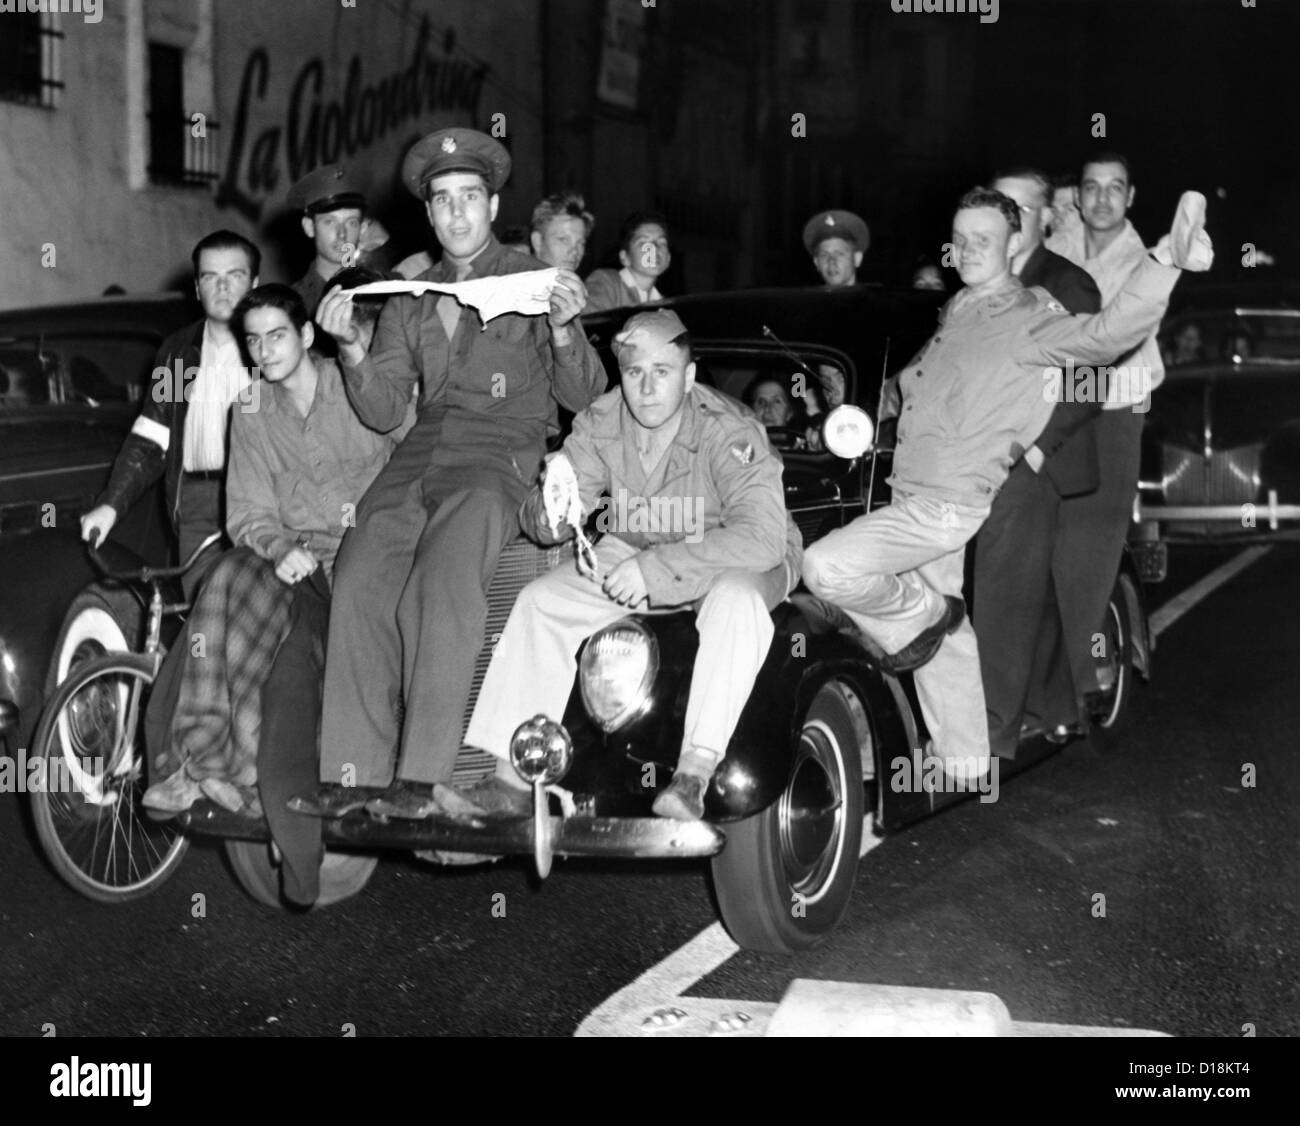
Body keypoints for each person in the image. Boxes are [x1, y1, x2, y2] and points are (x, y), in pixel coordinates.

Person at [800, 186, 1211, 785]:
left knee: (827, 566)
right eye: (960, 239)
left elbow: (1106, 335)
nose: (966, 250)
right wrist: (864, 409)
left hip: (946, 504)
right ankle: (967, 762)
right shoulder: (961, 307)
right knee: (943, 634)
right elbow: (917, 383)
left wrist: (1164, 263)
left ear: (1015, 243)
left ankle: (934, 616)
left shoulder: (1030, 317)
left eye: (983, 241)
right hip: (913, 488)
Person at [296, 126, 607, 822]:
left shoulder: (536, 278)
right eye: (443, 200)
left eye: (471, 197)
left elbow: (584, 397)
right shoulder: (408, 293)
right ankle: (352, 775)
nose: (458, 212)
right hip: (424, 449)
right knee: (360, 571)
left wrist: (562, 331)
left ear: (494, 208)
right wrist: (349, 347)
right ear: (429, 214)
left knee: (445, 577)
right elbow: (381, 412)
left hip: (501, 448)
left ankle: (422, 777)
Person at [462, 309, 802, 821]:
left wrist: (654, 571)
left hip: (737, 552)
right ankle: (513, 780)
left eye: (662, 372)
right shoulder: (602, 420)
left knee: (735, 603)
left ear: (688, 377)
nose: (645, 388)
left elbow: (760, 537)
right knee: (542, 601)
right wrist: (554, 509)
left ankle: (692, 774)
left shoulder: (730, 431)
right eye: (634, 373)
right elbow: (548, 518)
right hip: (640, 541)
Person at [142, 285, 394, 896]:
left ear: (307, 336)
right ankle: (196, 761)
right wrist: (279, 548)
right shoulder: (250, 406)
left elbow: (410, 465)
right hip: (294, 557)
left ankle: (261, 775)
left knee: (288, 659)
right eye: (252, 340)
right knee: (226, 577)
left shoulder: (360, 389)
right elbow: (248, 513)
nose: (263, 350)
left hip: (368, 558)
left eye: (276, 335)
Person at [973, 167, 1104, 759]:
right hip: (991, 452)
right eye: (1001, 206)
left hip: (1039, 459)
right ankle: (1055, 706)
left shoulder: (1067, 284)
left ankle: (992, 734)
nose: (1011, 216)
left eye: (1022, 208)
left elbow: (1087, 379)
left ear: (1048, 216)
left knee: (1002, 588)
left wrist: (1036, 449)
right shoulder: (983, 280)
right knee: (1034, 590)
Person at [1043, 152, 1169, 724]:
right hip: (1055, 409)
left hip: (1115, 409)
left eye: (1113, 189)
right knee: (1044, 541)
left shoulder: (1144, 262)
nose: (1101, 199)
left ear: (1131, 196)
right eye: (1090, 188)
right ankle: (1049, 670)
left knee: (1090, 548)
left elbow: (1108, 345)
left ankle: (1084, 670)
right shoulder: (1057, 244)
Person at [80, 230, 261, 599]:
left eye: (235, 276)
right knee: (200, 614)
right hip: (197, 502)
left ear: (255, 284)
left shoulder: (271, 349)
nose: (222, 287)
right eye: (211, 277)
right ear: (197, 288)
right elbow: (152, 436)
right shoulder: (180, 353)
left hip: (262, 501)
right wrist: (110, 506)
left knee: (253, 611)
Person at [286, 163, 369, 320]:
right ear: (309, 227)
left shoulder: (384, 290)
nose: (342, 234)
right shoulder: (292, 304)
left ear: (362, 229)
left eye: (351, 222)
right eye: (329, 222)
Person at [584, 211, 671, 312]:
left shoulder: (665, 306)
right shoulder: (605, 283)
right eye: (643, 242)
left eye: (661, 242)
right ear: (624, 257)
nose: (654, 248)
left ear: (668, 258)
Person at [529, 191, 594, 272]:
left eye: (580, 243)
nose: (575, 252)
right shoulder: (516, 282)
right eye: (564, 240)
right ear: (537, 242)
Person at [803, 210, 869, 287]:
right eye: (824, 255)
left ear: (857, 259)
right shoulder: (806, 299)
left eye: (839, 254)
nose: (831, 261)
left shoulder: (876, 298)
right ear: (816, 262)